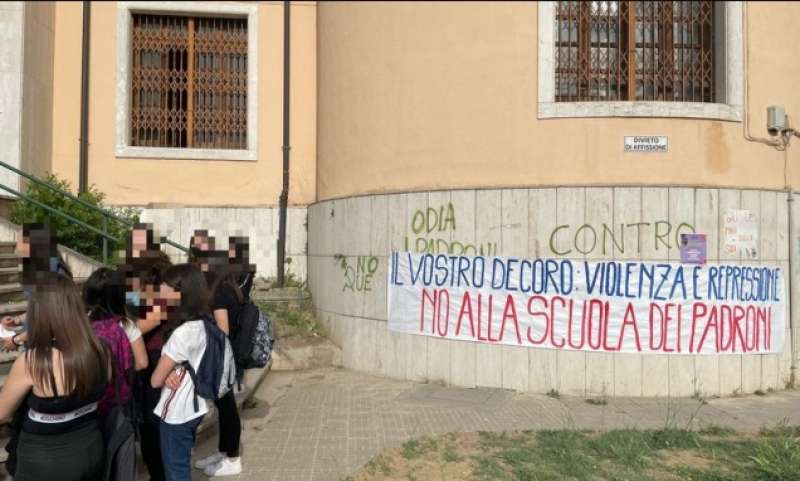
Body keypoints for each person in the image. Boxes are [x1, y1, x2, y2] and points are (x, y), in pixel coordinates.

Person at [0, 272, 110, 481]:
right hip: (92, 447)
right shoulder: (100, 348)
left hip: (45, 461)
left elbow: (2, 413)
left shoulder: (34, 361)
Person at [189, 234, 252, 476]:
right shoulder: (224, 284)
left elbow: (222, 329)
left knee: (227, 407)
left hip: (224, 355)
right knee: (224, 406)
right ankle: (224, 451)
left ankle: (233, 459)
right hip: (228, 354)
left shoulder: (218, 291)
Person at [150, 264, 213, 481]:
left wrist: (164, 370)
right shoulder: (204, 322)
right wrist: (171, 368)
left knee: (176, 471)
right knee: (182, 463)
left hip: (177, 412)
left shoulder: (181, 333)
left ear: (180, 291)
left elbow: (155, 380)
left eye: (166, 286)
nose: (160, 289)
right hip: (196, 406)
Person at [1, 223, 72, 352]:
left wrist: (16, 340)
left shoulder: (56, 277)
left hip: (51, 349)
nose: (17, 246)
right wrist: (17, 320)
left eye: (21, 242)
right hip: (34, 344)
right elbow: (38, 309)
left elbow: (51, 320)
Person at [84, 268, 139, 416]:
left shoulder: (82, 321)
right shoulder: (126, 325)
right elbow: (142, 362)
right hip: (116, 400)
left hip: (87, 397)